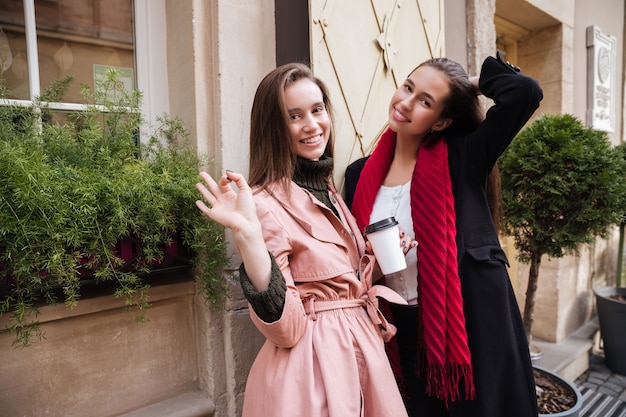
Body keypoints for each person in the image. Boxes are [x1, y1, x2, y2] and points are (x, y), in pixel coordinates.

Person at [195, 63, 410, 417]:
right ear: (274, 128)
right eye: (294, 116)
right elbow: (288, 328)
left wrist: (374, 256)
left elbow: (337, 281)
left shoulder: (327, 189)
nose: (312, 125)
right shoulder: (263, 203)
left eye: (317, 109)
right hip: (314, 374)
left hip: (362, 355)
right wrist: (247, 235)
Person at [344, 52, 543, 417]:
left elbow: (524, 92)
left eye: (425, 101)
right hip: (396, 324)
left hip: (468, 323)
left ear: (441, 121)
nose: (405, 102)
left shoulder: (463, 156)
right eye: (407, 87)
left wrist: (469, 85)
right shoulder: (359, 174)